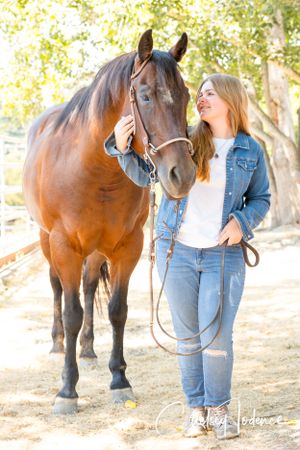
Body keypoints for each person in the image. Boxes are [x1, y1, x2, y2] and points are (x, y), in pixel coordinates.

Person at [104, 73, 271, 440]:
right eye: (200, 93)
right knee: (188, 336)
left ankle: (220, 409)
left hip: (222, 256)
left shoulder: (250, 149)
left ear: (229, 100)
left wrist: (242, 222)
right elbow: (146, 175)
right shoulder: (187, 141)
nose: (201, 98)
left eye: (209, 93)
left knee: (218, 337)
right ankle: (196, 409)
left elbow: (262, 198)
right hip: (175, 251)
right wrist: (120, 147)